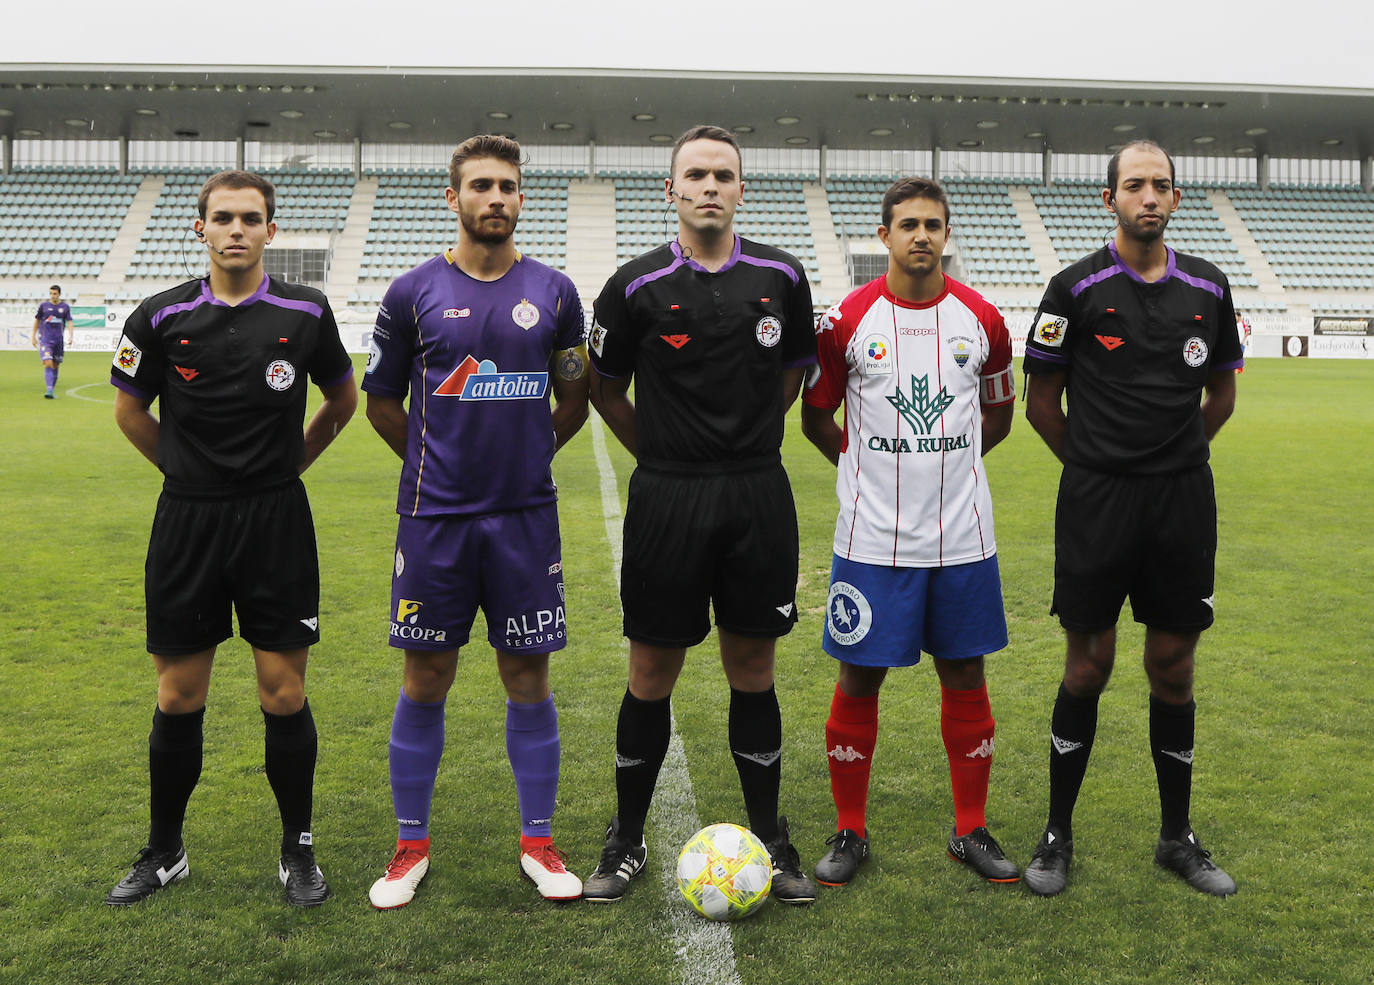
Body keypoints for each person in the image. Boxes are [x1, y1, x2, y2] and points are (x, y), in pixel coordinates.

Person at [107, 169, 357, 907]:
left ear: (270, 230)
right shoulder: (158, 315)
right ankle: (165, 850)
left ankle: (297, 850)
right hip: (188, 521)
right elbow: (128, 411)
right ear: (202, 229)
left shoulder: (306, 311)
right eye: (224, 218)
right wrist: (184, 472)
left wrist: (292, 464)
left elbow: (341, 399)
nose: (237, 230)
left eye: (251, 218)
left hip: (276, 520)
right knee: (178, 692)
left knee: (284, 691)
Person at [581, 124, 818, 905]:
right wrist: (662, 452)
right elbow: (605, 388)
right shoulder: (634, 285)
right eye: (696, 175)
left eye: (723, 174)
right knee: (651, 671)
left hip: (756, 493)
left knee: (753, 668)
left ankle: (771, 836)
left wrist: (746, 437)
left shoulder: (782, 275)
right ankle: (625, 837)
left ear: (741, 188)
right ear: (672, 189)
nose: (710, 186)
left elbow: (792, 373)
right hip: (668, 497)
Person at [362, 135, 590, 908]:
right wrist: (437, 463)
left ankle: (539, 842)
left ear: (522, 197)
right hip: (435, 519)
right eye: (481, 185)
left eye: (508, 186)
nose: (495, 198)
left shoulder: (556, 292)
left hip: (525, 520)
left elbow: (573, 395)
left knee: (527, 674)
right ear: (452, 197)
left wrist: (526, 458)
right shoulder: (411, 292)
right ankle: (409, 847)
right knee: (426, 675)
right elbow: (380, 403)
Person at [1021, 140, 1242, 897]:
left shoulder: (1209, 287)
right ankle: (1057, 834)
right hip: (1098, 502)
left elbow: (1222, 395)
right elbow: (1041, 403)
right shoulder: (1073, 288)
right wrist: (1096, 466)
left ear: (1176, 199)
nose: (1149, 196)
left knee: (1173, 664)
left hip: (1181, 502)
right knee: (1088, 664)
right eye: (1135, 185)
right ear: (1109, 197)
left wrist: (1171, 457)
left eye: (1162, 185)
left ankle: (1177, 837)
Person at [800, 177, 1019, 888]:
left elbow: (999, 413)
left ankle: (970, 829)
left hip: (963, 539)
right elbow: (815, 416)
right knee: (859, 675)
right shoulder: (845, 321)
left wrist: (954, 468)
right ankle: (850, 830)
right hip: (871, 542)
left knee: (966, 673)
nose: (921, 235)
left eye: (933, 224)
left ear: (946, 235)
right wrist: (863, 472)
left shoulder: (983, 319)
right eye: (908, 224)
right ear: (884, 235)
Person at [33, 284, 73, 398]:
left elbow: (70, 322)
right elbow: (37, 320)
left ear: (59, 294)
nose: (52, 296)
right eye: (51, 293)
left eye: (55, 294)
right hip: (45, 340)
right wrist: (33, 336)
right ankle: (49, 390)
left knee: (55, 365)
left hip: (58, 341)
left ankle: (51, 389)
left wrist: (71, 336)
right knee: (48, 363)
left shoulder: (65, 307)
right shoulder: (44, 306)